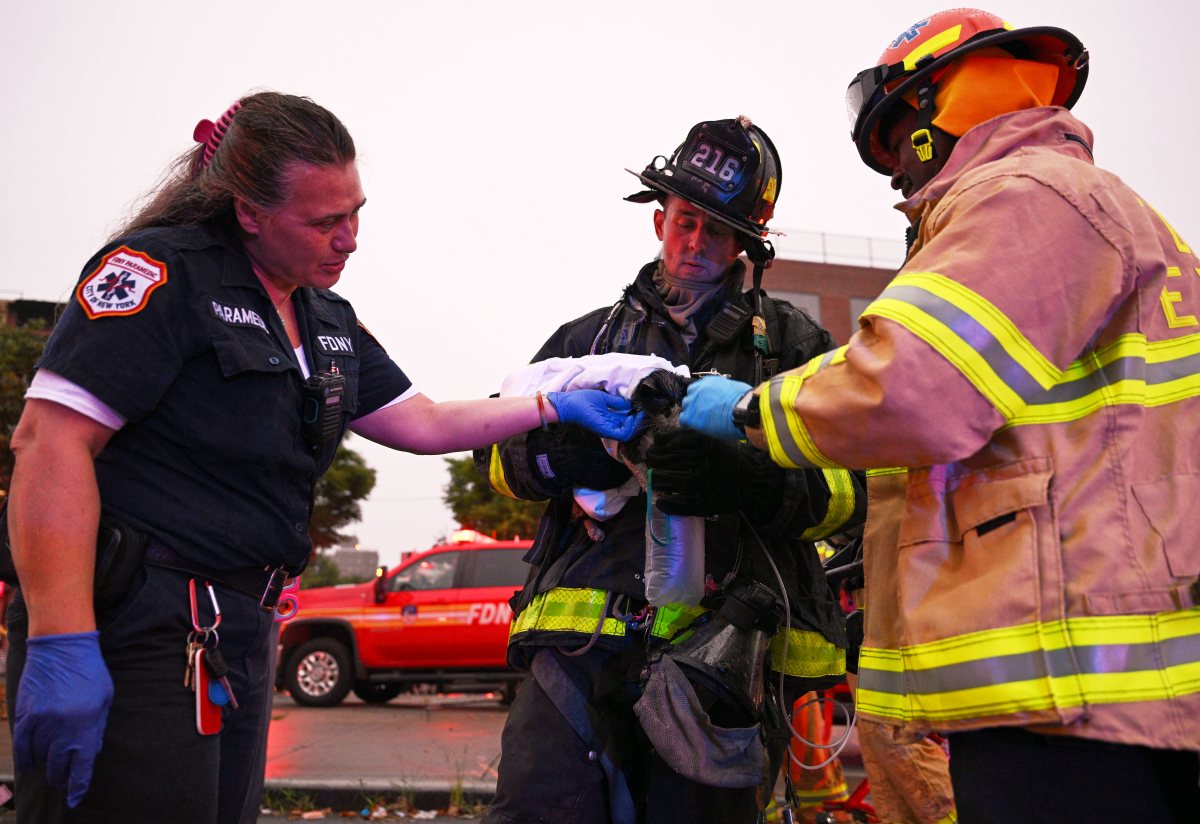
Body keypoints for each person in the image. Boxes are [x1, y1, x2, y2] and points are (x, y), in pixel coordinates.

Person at [2, 90, 641, 824]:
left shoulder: (324, 316)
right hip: (139, 627)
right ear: (248, 211)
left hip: (238, 631)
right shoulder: (160, 274)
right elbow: (50, 441)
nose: (351, 238)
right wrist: (62, 640)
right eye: (325, 220)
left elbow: (423, 421)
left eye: (357, 212)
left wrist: (555, 404)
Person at [678, 9, 1200, 822]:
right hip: (1107, 679)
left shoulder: (1024, 195)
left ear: (931, 109)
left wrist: (749, 409)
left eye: (893, 143)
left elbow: (913, 386)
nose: (894, 174)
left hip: (1064, 693)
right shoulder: (1094, 206)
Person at [474, 116, 866, 824]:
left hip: (724, 660)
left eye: (715, 230)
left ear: (746, 241)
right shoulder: (586, 341)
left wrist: (747, 480)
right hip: (577, 651)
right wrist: (580, 450)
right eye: (684, 221)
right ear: (659, 220)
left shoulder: (793, 347)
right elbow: (497, 462)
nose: (694, 243)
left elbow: (850, 493)